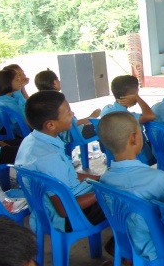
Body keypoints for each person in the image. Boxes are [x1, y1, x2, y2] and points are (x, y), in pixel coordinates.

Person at [14, 90, 105, 233]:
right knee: (127, 202)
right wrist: (101, 191)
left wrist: (100, 178)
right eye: (68, 112)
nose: (72, 114)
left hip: (47, 211)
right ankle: (120, 243)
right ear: (50, 125)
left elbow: (67, 175)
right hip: (70, 217)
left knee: (115, 187)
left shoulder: (32, 141)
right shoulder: (49, 157)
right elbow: (63, 209)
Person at [98, 112, 164, 261]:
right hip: (157, 248)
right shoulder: (157, 178)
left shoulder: (105, 178)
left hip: (126, 242)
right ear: (134, 138)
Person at [100, 75, 156, 164]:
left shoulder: (106, 109)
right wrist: (138, 98)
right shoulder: (128, 117)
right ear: (131, 95)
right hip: (140, 157)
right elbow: (150, 116)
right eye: (137, 92)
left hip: (114, 155)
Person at [34, 69, 100, 143]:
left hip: (60, 135)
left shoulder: (42, 101)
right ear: (54, 83)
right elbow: (72, 123)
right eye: (57, 79)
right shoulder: (58, 100)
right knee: (104, 127)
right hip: (72, 134)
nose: (59, 81)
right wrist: (90, 117)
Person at [0, 69, 27, 138]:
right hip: (19, 136)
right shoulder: (6, 104)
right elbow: (24, 122)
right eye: (17, 80)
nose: (20, 81)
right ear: (7, 83)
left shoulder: (15, 94)